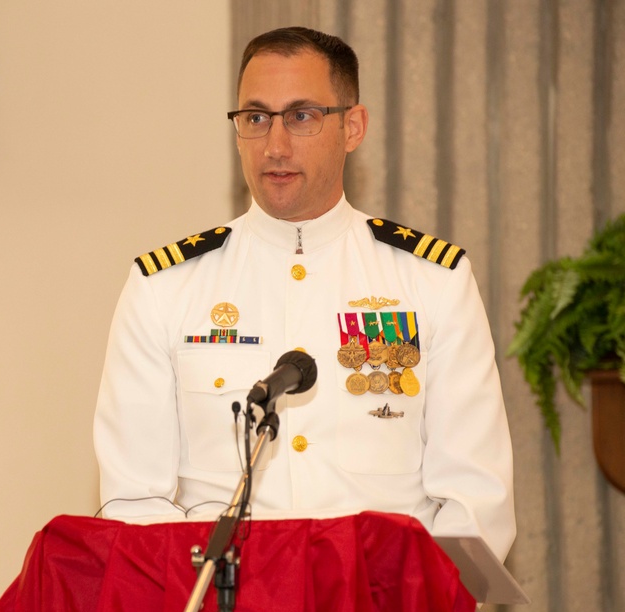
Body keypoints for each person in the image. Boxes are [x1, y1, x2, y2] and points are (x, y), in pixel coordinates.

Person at [93, 26, 515, 563]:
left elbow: (474, 499)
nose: (275, 144)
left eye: (301, 116)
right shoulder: (165, 288)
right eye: (255, 118)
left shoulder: (431, 281)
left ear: (352, 127)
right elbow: (135, 502)